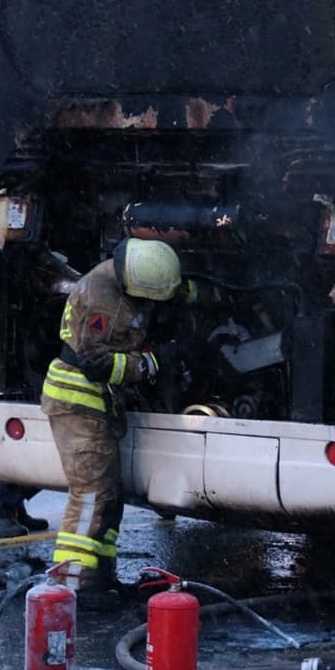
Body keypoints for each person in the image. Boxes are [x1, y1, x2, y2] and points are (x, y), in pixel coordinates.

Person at [41, 238, 195, 605]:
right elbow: (100, 366)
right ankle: (72, 585)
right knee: (91, 494)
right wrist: (156, 363)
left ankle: (99, 577)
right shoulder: (100, 300)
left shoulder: (123, 274)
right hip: (79, 403)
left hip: (94, 406)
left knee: (109, 496)